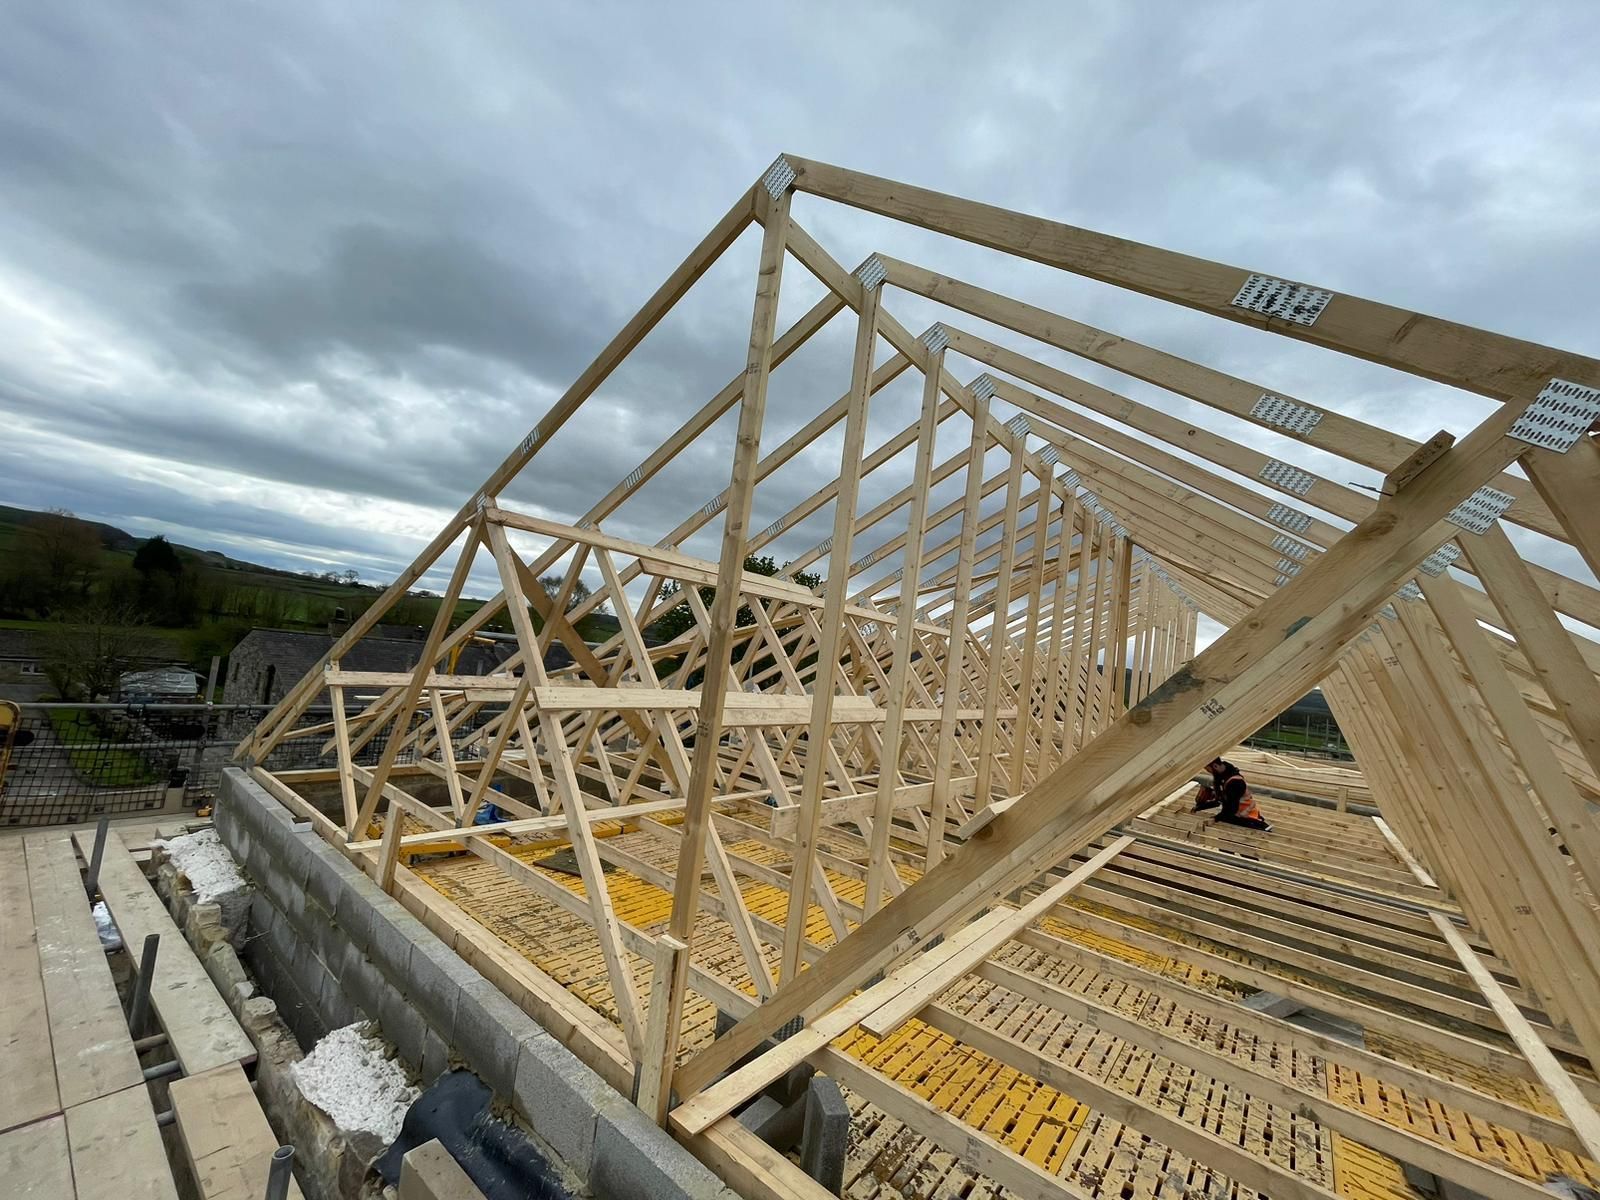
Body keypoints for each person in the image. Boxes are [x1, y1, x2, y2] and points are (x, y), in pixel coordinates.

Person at [1192, 756, 1271, 831]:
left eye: (1209, 770)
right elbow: (1218, 801)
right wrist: (1199, 808)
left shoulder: (1235, 783)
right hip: (1233, 814)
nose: (1209, 772)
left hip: (1246, 817)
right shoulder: (1221, 777)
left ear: (1215, 766)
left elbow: (1230, 810)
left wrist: (1214, 819)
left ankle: (1262, 826)